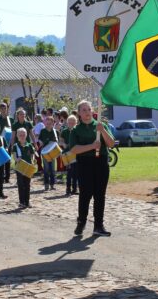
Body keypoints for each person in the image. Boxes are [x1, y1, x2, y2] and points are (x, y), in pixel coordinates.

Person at [68, 100, 114, 237]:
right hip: (85, 163)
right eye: (84, 110)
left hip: (101, 163)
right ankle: (81, 221)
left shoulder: (101, 125)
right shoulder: (76, 130)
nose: (87, 112)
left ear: (93, 111)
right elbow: (74, 149)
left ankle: (98, 225)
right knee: (85, 194)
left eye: (88, 109)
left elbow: (111, 144)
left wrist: (103, 131)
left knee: (100, 195)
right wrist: (92, 146)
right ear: (79, 114)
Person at [12, 127, 36, 208]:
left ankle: (27, 201)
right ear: (17, 136)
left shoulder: (29, 145)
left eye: (23, 135)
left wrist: (32, 161)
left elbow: (32, 155)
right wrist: (16, 159)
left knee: (27, 184)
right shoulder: (16, 146)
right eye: (20, 135)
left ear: (26, 135)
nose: (22, 136)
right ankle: (21, 202)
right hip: (20, 167)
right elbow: (14, 156)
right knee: (21, 184)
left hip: (28, 167)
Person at [0, 102, 14, 184]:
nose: (3, 110)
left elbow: (13, 131)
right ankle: (0, 176)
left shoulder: (10, 119)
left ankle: (7, 177)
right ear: (0, 109)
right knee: (0, 159)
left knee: (7, 159)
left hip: (8, 142)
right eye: (1, 108)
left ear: (7, 109)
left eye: (4, 108)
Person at [38, 116, 58, 191]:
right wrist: (41, 142)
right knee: (46, 169)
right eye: (47, 123)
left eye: (50, 123)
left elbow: (57, 141)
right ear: (45, 123)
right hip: (45, 152)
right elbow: (39, 139)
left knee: (52, 169)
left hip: (52, 152)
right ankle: (46, 184)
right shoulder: (43, 131)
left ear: (53, 123)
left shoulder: (54, 131)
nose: (48, 125)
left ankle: (52, 184)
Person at [60, 115, 78, 195]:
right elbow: (60, 141)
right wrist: (64, 144)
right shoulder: (64, 131)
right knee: (69, 172)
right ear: (67, 123)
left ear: (75, 123)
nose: (71, 124)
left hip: (76, 153)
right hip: (67, 153)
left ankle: (74, 189)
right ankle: (68, 188)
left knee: (75, 172)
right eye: (70, 122)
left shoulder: (78, 130)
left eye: (73, 123)